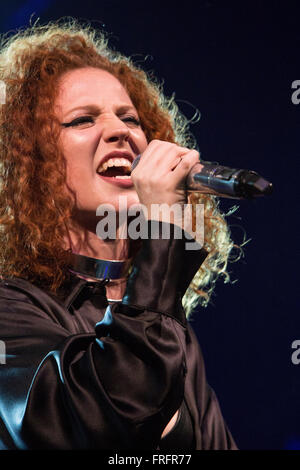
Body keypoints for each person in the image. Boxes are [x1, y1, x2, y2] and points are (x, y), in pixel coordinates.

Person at [0, 19, 237, 450]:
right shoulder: (9, 311)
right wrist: (165, 228)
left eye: (130, 118)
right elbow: (102, 419)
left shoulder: (171, 327)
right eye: (82, 120)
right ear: (30, 165)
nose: (121, 132)